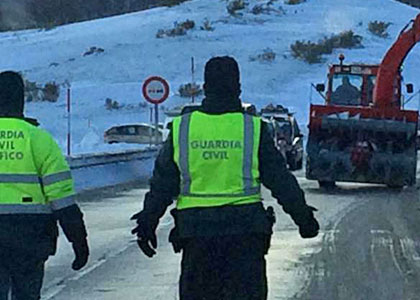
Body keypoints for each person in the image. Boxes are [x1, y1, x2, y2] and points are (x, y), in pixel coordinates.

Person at [130, 57, 320, 300]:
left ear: (205, 88)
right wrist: (304, 219)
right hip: (245, 238)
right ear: (238, 88)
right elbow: (280, 180)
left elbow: (162, 184)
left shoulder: (183, 128)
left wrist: (148, 222)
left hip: (197, 237)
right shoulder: (253, 128)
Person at [0, 71, 89, 300]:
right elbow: (62, 198)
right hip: (29, 239)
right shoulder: (39, 140)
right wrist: (78, 240)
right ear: (22, 100)